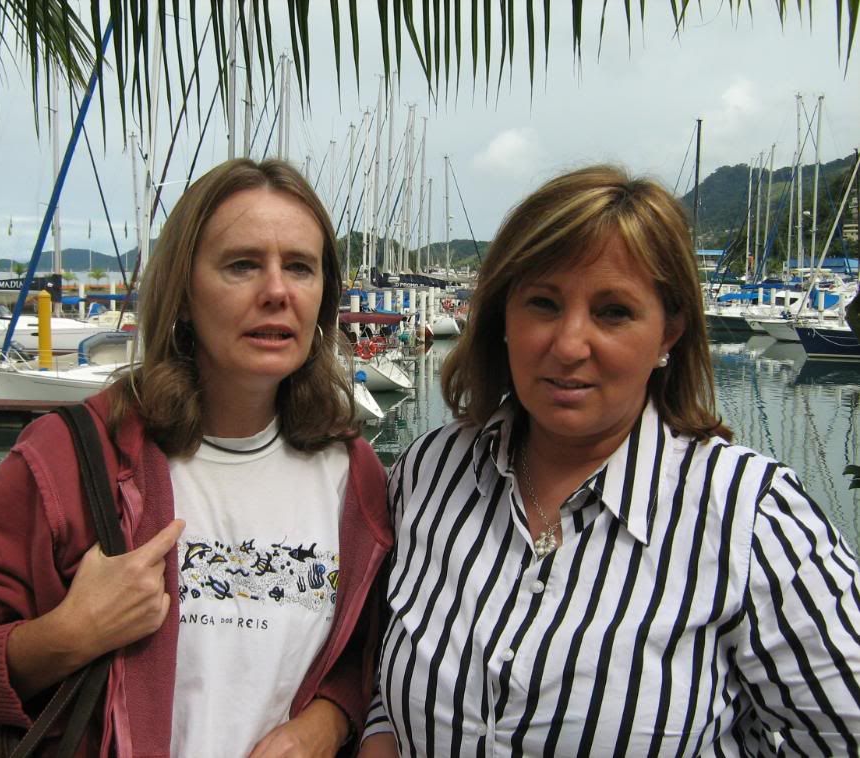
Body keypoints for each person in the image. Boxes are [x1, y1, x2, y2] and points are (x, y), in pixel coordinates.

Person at [359, 165, 860, 756]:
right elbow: (395, 667)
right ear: (502, 317)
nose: (570, 345)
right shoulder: (430, 473)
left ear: (669, 331)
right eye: (543, 303)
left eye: (614, 312)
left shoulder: (748, 520)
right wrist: (381, 733)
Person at [0, 158, 393, 757]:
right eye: (242, 265)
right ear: (184, 295)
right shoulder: (69, 457)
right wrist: (70, 634)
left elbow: (363, 649)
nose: (277, 291)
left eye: (300, 266)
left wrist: (328, 720)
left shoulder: (354, 475)